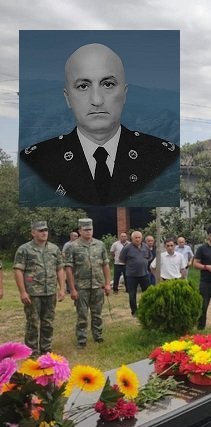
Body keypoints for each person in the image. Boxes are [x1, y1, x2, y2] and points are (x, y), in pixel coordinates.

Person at [19, 43, 179, 206]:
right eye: (83, 86)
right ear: (67, 98)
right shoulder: (36, 160)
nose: (97, 100)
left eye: (108, 84)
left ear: (124, 94)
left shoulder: (163, 156)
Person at [13, 220, 65, 355]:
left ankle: (46, 349)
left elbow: (60, 268)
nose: (44, 233)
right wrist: (23, 292)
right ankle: (31, 352)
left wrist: (62, 288)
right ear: (33, 232)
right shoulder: (24, 249)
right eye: (41, 230)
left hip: (50, 291)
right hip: (33, 293)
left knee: (48, 322)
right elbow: (18, 270)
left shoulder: (54, 249)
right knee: (33, 323)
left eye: (46, 230)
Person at [64, 218, 110, 347]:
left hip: (97, 285)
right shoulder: (72, 246)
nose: (88, 232)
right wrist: (72, 289)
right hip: (81, 287)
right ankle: (81, 339)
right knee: (82, 315)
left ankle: (98, 336)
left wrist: (107, 283)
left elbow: (105, 264)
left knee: (97, 313)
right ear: (80, 231)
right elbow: (68, 268)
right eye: (85, 230)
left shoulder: (100, 244)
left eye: (90, 229)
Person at [119, 231, 151, 316]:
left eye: (139, 237)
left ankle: (147, 308)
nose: (137, 239)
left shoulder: (145, 247)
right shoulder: (127, 248)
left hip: (144, 274)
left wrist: (143, 262)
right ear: (132, 239)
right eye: (135, 238)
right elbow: (121, 259)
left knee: (147, 292)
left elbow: (149, 257)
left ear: (141, 238)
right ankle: (134, 311)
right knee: (132, 294)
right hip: (131, 275)